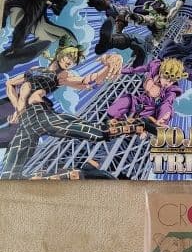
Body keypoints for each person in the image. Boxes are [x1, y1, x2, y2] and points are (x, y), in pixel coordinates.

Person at [0, 38, 130, 179]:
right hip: (25, 123)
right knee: (8, 175)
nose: (70, 62)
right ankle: (67, 176)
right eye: (69, 56)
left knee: (96, 132)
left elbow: (86, 81)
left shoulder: (61, 76)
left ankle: (133, 126)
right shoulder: (34, 70)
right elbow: (10, 84)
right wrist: (18, 109)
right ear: (60, 54)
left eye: (74, 61)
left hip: (40, 114)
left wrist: (110, 63)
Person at [107, 57, 187, 129]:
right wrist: (121, 70)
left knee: (149, 119)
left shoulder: (171, 90)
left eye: (171, 81)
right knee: (120, 104)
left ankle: (152, 126)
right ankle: (118, 123)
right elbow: (135, 70)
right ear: (161, 72)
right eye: (166, 78)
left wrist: (161, 118)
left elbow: (167, 104)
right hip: (139, 102)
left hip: (150, 112)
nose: (167, 83)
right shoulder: (154, 67)